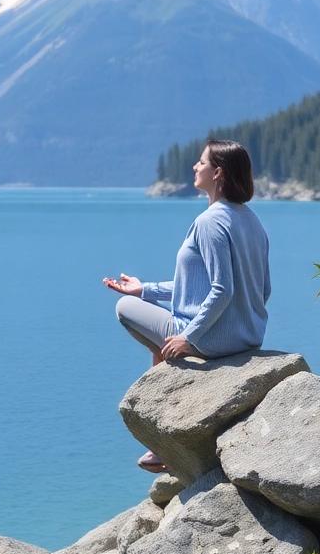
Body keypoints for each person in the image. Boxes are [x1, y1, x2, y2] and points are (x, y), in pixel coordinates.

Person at [102, 139, 270, 473]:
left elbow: (221, 289)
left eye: (201, 162)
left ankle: (161, 437)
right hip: (249, 336)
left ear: (217, 172)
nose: (195, 167)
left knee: (125, 309)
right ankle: (159, 440)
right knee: (144, 312)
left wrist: (189, 338)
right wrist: (144, 289)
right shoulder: (251, 220)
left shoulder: (210, 222)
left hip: (210, 341)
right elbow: (258, 289)